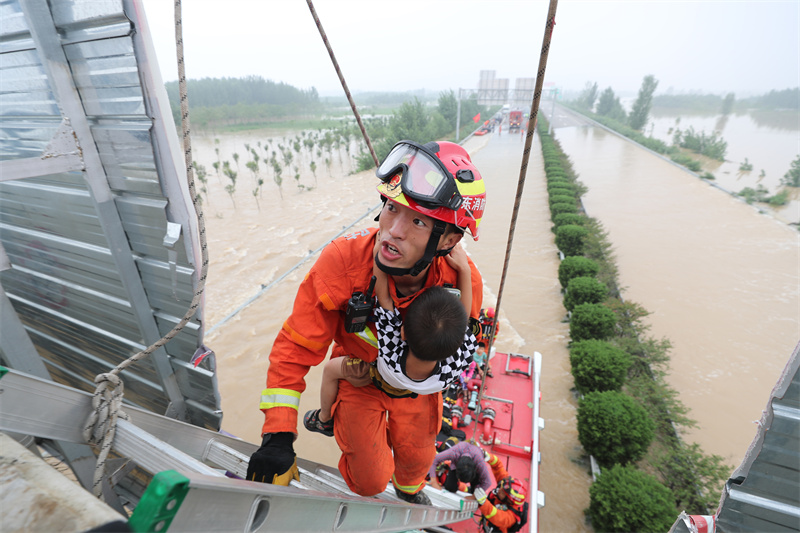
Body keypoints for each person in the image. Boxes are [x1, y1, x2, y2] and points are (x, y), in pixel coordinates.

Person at [246, 140, 487, 506]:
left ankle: (409, 491)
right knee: (368, 482)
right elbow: (295, 348)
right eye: (392, 208)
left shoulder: (460, 277)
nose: (393, 231)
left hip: (419, 392)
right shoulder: (342, 264)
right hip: (360, 380)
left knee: (416, 462)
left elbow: (460, 334)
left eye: (418, 221)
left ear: (450, 240)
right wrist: (278, 434)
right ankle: (331, 423)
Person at [303, 245, 478, 437]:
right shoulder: (454, 366)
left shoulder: (392, 350)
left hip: (377, 374)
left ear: (403, 333)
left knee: (330, 370)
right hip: (419, 389)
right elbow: (467, 318)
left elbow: (383, 296)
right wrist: (464, 268)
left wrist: (381, 253)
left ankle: (324, 420)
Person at [473, 453, 529, 533]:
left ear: (509, 500)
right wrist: (488, 457)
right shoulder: (505, 485)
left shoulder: (510, 517)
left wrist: (483, 502)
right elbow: (498, 466)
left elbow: (496, 516)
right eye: (502, 487)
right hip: (488, 521)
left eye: (502, 491)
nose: (499, 489)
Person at [428, 441, 493, 495]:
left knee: (475, 489)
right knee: (450, 487)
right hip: (457, 462)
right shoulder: (453, 453)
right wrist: (434, 483)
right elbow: (435, 459)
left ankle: (472, 490)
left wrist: (474, 496)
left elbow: (487, 482)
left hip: (473, 467)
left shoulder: (479, 462)